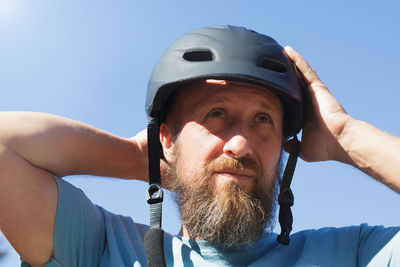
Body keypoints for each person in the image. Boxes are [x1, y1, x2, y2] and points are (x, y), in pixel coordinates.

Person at [0, 25, 399, 267]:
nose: (241, 144)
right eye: (216, 115)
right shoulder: (102, 248)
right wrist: (141, 159)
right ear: (168, 139)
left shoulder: (353, 253)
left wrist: (347, 137)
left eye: (264, 120)